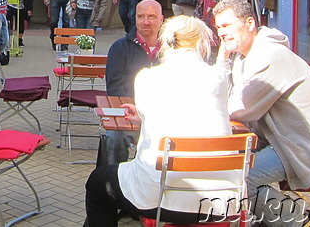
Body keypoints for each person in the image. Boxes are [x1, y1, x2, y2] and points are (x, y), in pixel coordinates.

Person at [85, 16, 234, 226]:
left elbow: (159, 111)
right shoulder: (217, 77)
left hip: (162, 195)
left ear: (166, 42)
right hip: (221, 198)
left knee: (98, 183)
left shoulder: (148, 76)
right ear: (201, 44)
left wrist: (142, 116)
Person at [212, 0, 310, 226]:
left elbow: (239, 109)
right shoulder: (245, 55)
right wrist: (223, 58)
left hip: (304, 147)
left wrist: (221, 93)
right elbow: (225, 95)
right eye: (218, 27)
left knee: (241, 179)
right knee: (224, 164)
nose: (222, 33)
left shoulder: (269, 56)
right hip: (279, 138)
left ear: (250, 24)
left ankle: (298, 221)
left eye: (227, 25)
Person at [100, 0, 163, 165]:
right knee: (113, 138)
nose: (146, 22)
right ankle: (114, 181)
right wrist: (136, 109)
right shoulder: (119, 48)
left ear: (161, 19)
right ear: (134, 18)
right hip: (127, 111)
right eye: (141, 16)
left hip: (162, 113)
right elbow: (115, 87)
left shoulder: (171, 50)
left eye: (152, 16)